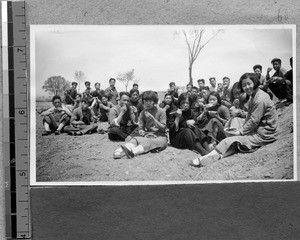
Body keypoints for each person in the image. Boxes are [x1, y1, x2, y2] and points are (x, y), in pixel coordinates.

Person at [191, 73, 278, 167]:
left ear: (255, 82)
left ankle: (204, 158)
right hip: (259, 128)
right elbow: (249, 116)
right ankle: (222, 154)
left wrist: (240, 132)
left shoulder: (260, 98)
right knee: (235, 124)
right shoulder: (254, 95)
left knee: (228, 140)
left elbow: (254, 120)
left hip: (264, 133)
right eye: (244, 85)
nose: (247, 87)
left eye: (249, 84)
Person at [113, 91, 167, 159]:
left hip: (160, 136)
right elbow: (141, 127)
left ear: (154, 101)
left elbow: (163, 128)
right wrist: (141, 131)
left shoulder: (161, 111)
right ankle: (117, 152)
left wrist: (153, 119)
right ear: (143, 101)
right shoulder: (143, 113)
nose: (148, 103)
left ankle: (133, 152)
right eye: (145, 101)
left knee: (148, 142)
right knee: (135, 139)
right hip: (148, 135)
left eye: (150, 101)